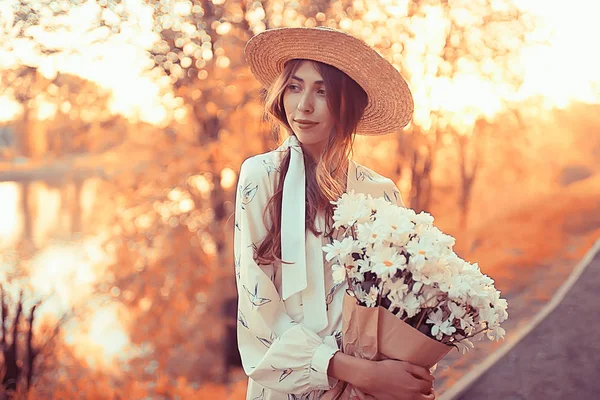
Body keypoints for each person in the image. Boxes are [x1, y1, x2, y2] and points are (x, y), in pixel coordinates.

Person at [234, 26, 436, 400]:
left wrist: (399, 371)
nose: (303, 106)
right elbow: (257, 309)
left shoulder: (382, 193)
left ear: (349, 104)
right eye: (295, 86)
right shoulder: (261, 176)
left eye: (322, 91)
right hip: (289, 388)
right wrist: (350, 369)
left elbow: (403, 302)